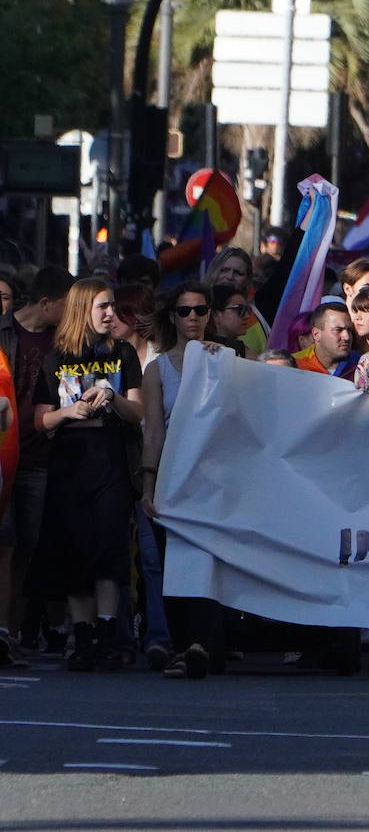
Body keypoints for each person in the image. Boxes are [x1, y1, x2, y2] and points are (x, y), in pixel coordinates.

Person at [26, 278, 144, 672]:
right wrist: (68, 413)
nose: (111, 314)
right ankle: (84, 635)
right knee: (73, 549)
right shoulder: (57, 357)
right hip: (70, 461)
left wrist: (111, 395)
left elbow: (138, 412)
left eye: (112, 306)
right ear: (82, 311)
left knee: (109, 547)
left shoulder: (124, 353)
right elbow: (41, 419)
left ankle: (108, 632)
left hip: (110, 458)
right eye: (103, 307)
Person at [138, 282, 223, 679]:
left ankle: (201, 644)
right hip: (173, 476)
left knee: (207, 561)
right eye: (185, 311)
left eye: (201, 310)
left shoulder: (228, 358)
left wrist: (220, 363)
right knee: (172, 564)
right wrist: (148, 484)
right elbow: (154, 429)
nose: (193, 318)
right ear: (172, 316)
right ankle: (178, 645)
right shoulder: (157, 370)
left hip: (214, 479)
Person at [0, 266, 74, 663]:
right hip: (5, 455)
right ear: (46, 303)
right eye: (66, 305)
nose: (70, 314)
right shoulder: (3, 333)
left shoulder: (64, 343)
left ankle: (10, 633)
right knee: (4, 544)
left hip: (42, 458)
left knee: (27, 547)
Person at [293, 304, 360, 380]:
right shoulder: (294, 365)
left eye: (349, 330)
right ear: (316, 334)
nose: (347, 337)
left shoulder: (361, 364)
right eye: (338, 330)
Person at [206, 285, 255, 360]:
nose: (247, 316)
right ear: (216, 315)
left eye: (247, 309)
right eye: (240, 309)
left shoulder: (242, 349)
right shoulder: (201, 347)